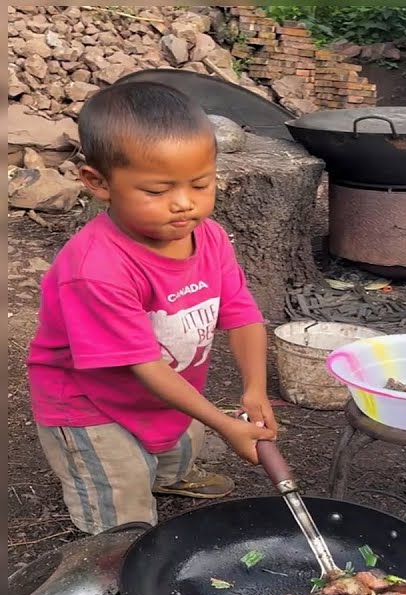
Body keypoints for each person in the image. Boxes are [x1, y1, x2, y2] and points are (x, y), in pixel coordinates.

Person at [26, 81, 278, 535]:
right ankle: (115, 553)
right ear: (97, 182)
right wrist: (225, 424)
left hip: (166, 385)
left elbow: (242, 314)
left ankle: (167, 477)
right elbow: (144, 366)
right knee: (123, 507)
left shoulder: (211, 238)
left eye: (200, 183)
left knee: (181, 438)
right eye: (158, 190)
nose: (184, 203)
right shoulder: (97, 268)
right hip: (88, 405)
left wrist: (254, 389)